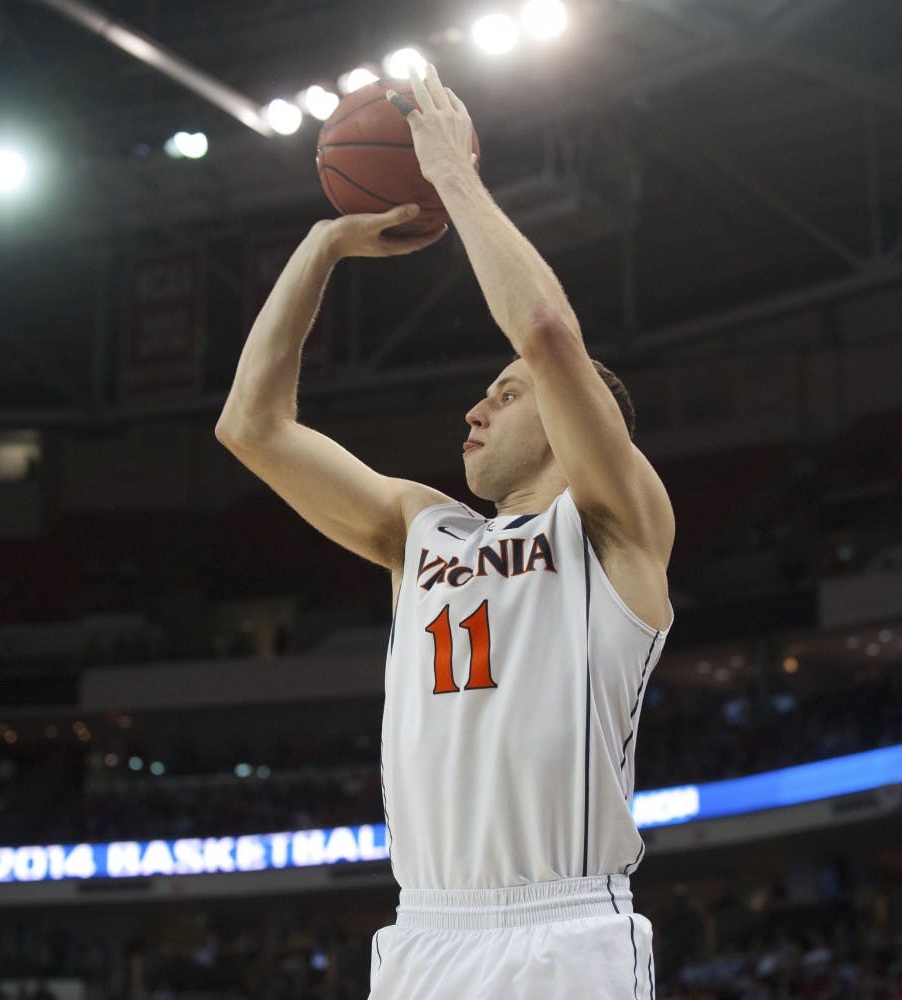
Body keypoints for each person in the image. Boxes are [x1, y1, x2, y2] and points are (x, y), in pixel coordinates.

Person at [216, 64, 674, 1000]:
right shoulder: (418, 531)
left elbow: (546, 331)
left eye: (505, 395)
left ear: (573, 420)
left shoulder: (615, 526)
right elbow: (250, 426)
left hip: (564, 931)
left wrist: (452, 175)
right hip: (423, 935)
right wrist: (322, 245)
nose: (476, 409)